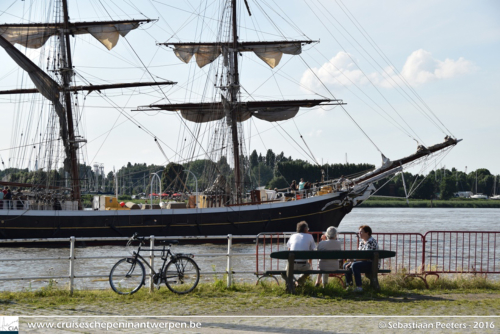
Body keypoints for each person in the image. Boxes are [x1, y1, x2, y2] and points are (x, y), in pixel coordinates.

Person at [344, 225, 378, 292]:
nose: (359, 233)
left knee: (355, 265)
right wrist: (351, 262)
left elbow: (367, 257)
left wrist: (354, 261)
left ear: (367, 233)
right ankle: (349, 285)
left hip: (372, 264)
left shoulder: (371, 242)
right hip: (364, 262)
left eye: (361, 232)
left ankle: (359, 287)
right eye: (359, 232)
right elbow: (359, 255)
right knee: (345, 265)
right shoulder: (362, 242)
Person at [285, 221, 316, 286]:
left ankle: (291, 283)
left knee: (284, 272)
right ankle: (298, 281)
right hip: (304, 266)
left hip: (292, 265)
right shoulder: (310, 236)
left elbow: (289, 250)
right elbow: (312, 252)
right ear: (305, 229)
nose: (308, 230)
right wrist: (310, 264)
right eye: (308, 229)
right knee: (309, 270)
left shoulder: (292, 236)